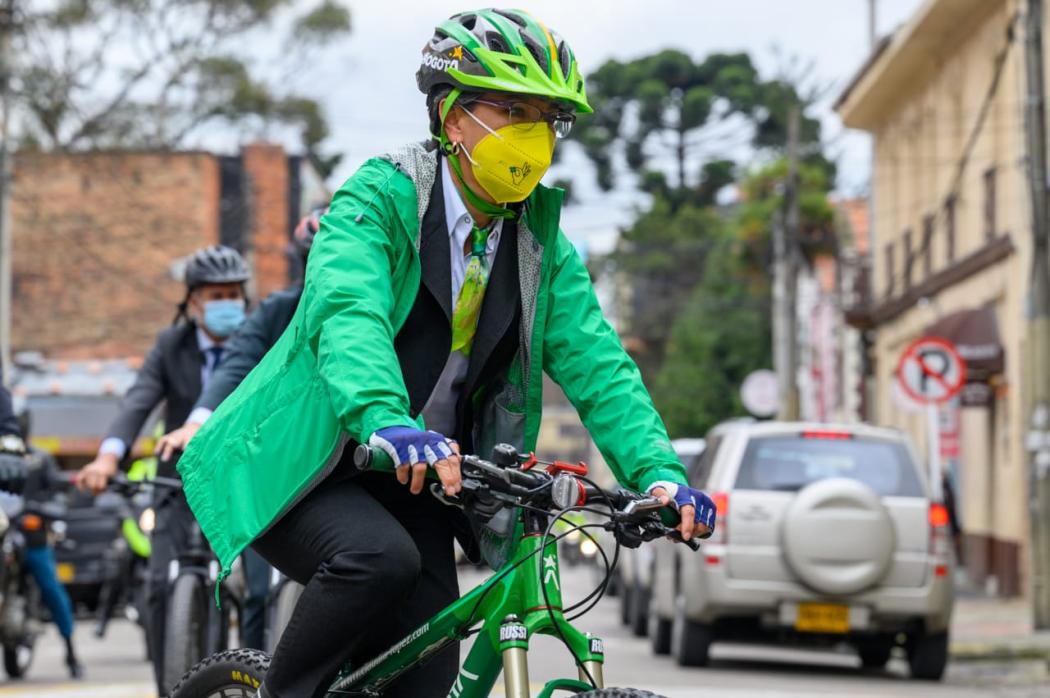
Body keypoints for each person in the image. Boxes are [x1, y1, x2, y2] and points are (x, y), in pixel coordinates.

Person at [177, 10, 717, 698]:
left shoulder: (540, 247)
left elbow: (601, 366)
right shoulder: (378, 197)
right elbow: (349, 312)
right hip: (307, 459)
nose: (533, 133)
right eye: (512, 110)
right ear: (453, 118)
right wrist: (383, 417)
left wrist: (661, 475)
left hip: (419, 478)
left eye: (547, 118)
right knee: (378, 560)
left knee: (426, 676)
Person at [74, 245, 251, 697]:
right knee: (157, 584)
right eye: (217, 295)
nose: (228, 302)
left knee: (260, 588)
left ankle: (260, 678)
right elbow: (139, 401)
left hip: (243, 477)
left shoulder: (256, 340)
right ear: (193, 301)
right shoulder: (170, 345)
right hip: (178, 479)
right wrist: (108, 457)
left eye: (235, 293)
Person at [156, 209, 326, 651]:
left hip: (344, 463)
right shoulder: (278, 312)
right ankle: (256, 678)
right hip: (273, 467)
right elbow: (237, 364)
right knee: (256, 590)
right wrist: (196, 423)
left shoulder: (378, 307)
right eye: (317, 260)